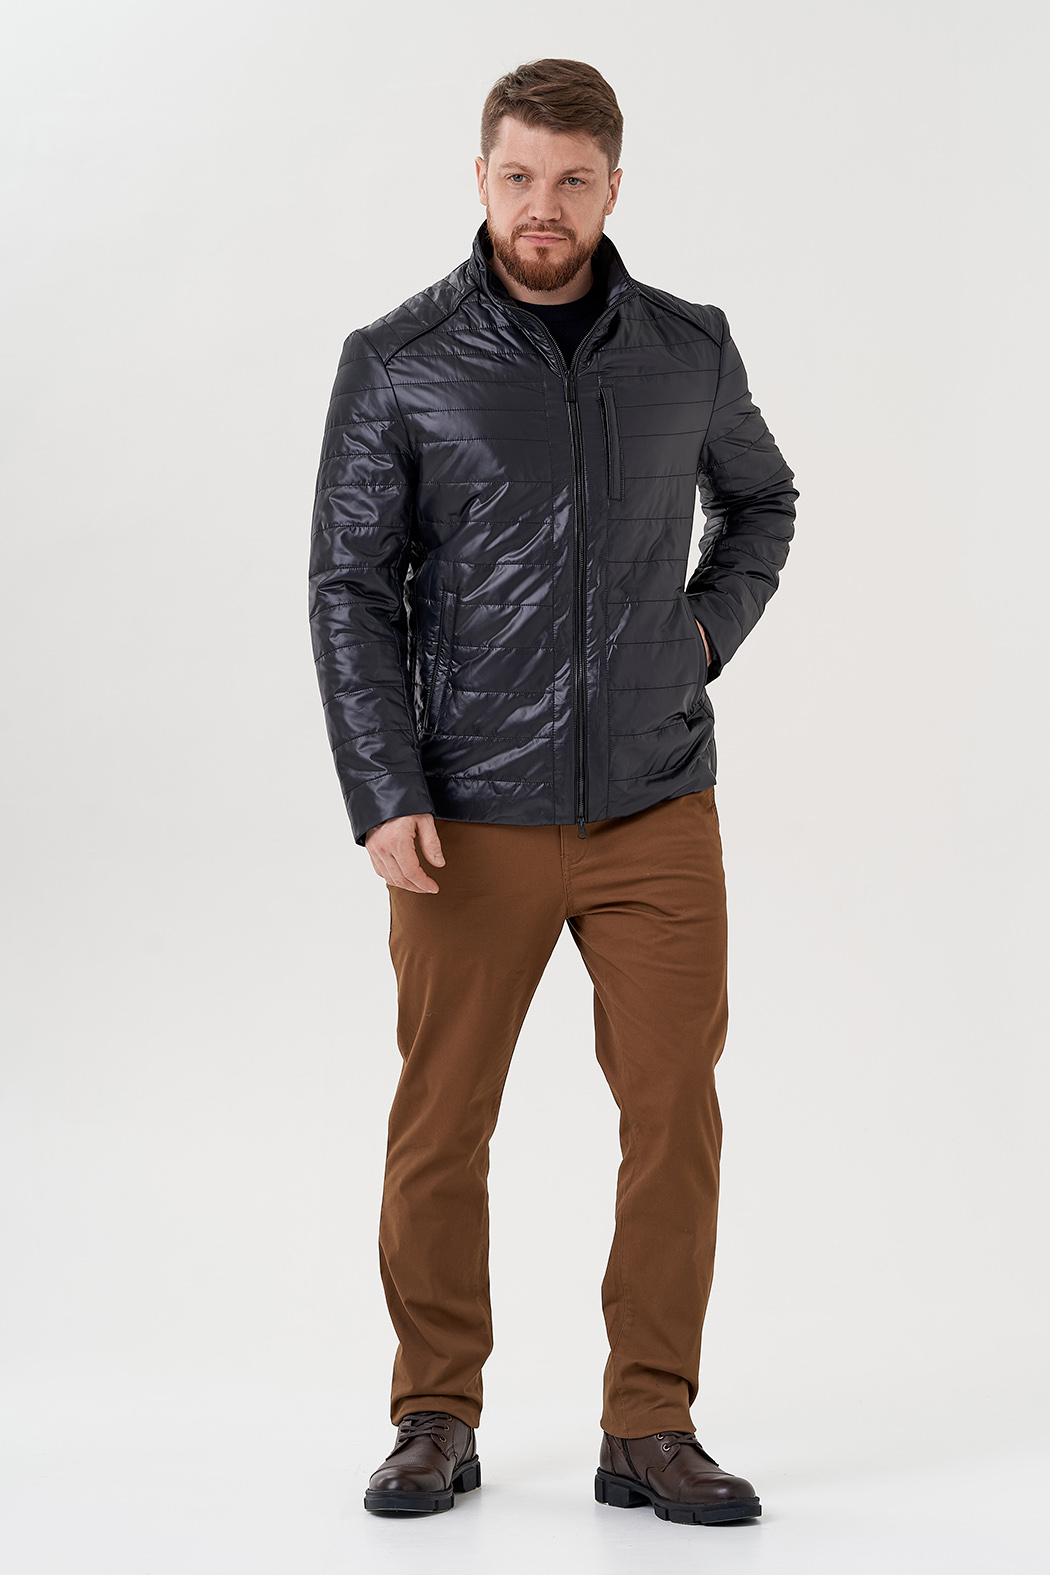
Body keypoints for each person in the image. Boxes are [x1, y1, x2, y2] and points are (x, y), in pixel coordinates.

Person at [308, 57, 797, 1526]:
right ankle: (433, 1414)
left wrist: (700, 636)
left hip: (656, 804)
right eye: (518, 176)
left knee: (674, 1114)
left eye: (572, 180)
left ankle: (650, 1422)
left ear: (612, 187)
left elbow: (762, 499)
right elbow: (349, 588)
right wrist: (383, 786)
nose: (544, 205)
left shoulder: (688, 346)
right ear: (481, 178)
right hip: (467, 813)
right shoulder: (398, 358)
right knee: (440, 1124)